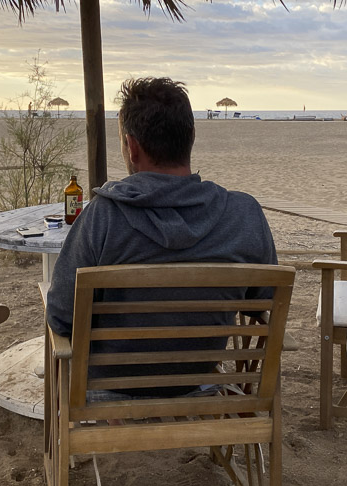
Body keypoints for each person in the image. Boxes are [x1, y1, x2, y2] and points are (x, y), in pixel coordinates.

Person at [45, 77, 277, 396]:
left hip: (112, 383)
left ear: (133, 146)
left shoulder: (103, 216)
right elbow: (265, 300)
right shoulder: (243, 214)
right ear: (191, 137)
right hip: (197, 376)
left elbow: (61, 316)